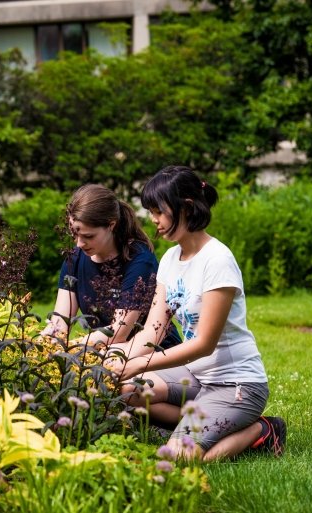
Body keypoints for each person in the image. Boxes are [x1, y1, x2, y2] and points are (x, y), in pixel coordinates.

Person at [111, 165, 285, 461]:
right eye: (150, 212)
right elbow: (153, 329)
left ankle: (263, 429)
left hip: (236, 383)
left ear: (187, 208)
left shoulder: (217, 261)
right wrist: (119, 357)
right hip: (196, 377)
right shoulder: (169, 259)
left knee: (181, 459)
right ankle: (199, 426)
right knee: (126, 393)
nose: (154, 220)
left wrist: (139, 364)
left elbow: (204, 343)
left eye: (159, 211)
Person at [41, 184, 182, 350]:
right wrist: (47, 340)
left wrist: (71, 348)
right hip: (103, 353)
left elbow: (118, 332)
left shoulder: (140, 261)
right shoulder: (75, 258)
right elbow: (60, 322)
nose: (79, 244)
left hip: (151, 354)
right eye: (74, 234)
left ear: (111, 225)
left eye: (88, 236)